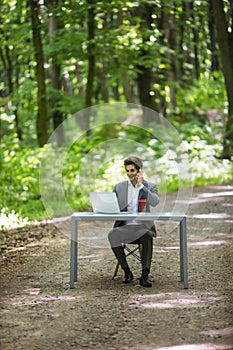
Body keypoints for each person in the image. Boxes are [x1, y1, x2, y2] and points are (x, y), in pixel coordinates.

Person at [108, 156, 160, 287]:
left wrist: (141, 186)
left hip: (142, 228)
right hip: (125, 228)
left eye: (132, 170)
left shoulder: (149, 186)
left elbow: (155, 202)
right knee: (112, 234)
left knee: (147, 236)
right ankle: (127, 271)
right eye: (127, 171)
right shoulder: (119, 187)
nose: (130, 174)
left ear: (139, 171)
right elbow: (111, 204)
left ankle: (145, 275)